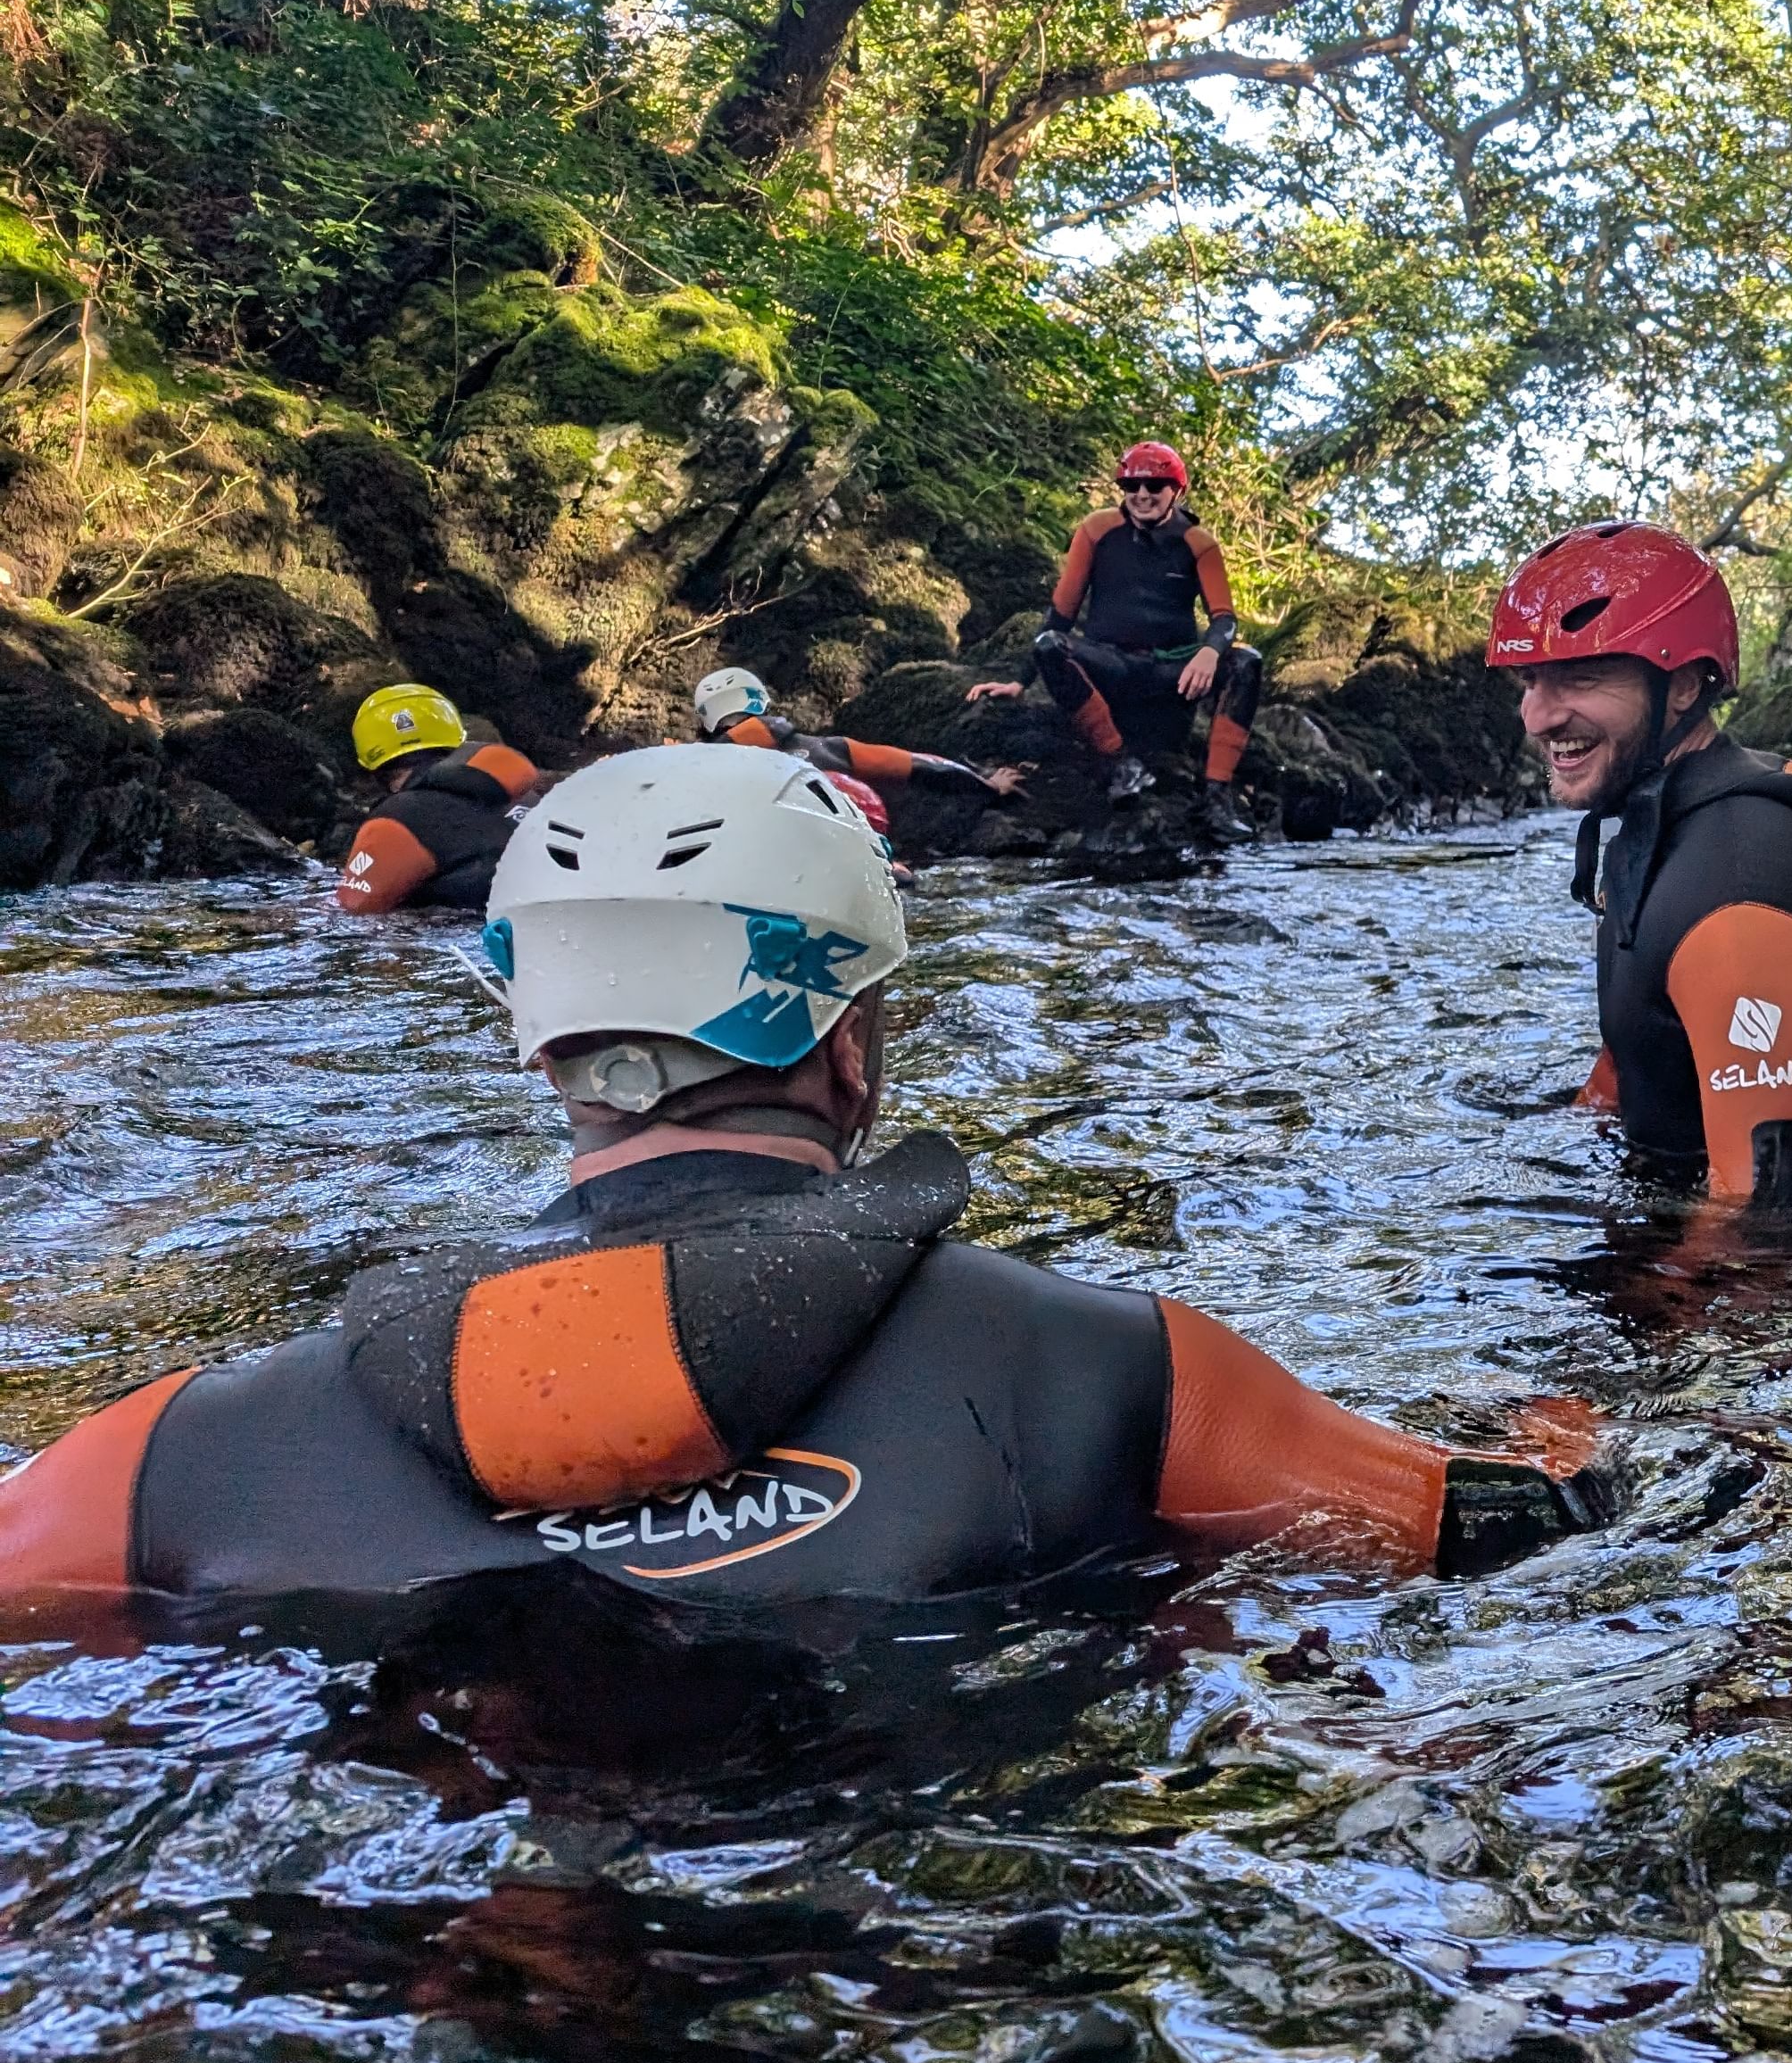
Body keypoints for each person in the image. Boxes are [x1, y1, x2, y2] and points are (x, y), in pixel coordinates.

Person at [0, 742, 1613, 1601]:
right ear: (849, 1046)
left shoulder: (173, 1453)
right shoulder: (1116, 1369)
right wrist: (1584, 1432)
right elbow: (1499, 1530)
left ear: (541, 1043)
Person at [1489, 520, 1792, 1211]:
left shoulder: (1736, 886)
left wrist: (1651, 1308)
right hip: (1678, 1213)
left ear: (1682, 686)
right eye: (1530, 681)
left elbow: (1762, 1214)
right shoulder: (1659, 827)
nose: (1537, 718)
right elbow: (1646, 1036)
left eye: (1581, 677)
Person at [965, 443, 1265, 822]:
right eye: (1131, 486)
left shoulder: (1198, 544)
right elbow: (1062, 612)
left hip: (1171, 674)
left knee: (1247, 662)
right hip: (1113, 664)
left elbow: (1224, 618)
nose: (1142, 495)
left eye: (1155, 486)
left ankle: (1217, 795)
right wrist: (1019, 682)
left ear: (1177, 490)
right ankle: (1121, 764)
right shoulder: (1097, 529)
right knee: (1050, 647)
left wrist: (1209, 653)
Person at [335, 682, 543, 916]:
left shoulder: (397, 818)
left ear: (372, 767)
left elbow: (355, 908)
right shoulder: (522, 793)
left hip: (477, 932)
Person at [692, 667, 1027, 809]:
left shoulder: (689, 764)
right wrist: (988, 785)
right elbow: (922, 767)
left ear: (706, 721)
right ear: (762, 703)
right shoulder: (825, 750)